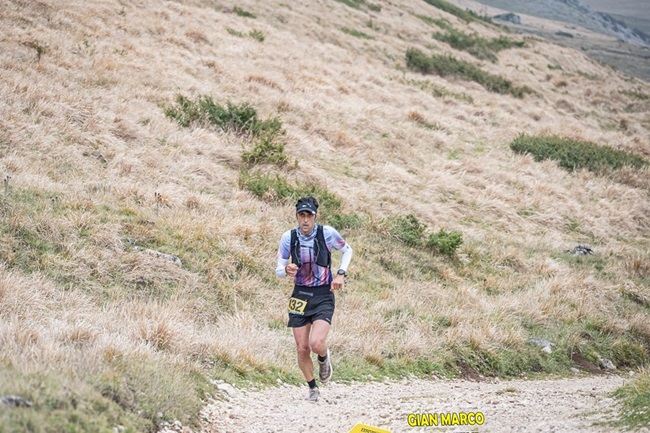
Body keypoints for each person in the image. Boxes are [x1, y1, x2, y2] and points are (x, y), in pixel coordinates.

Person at [276, 196, 353, 402]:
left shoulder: (327, 233)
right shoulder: (288, 237)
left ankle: (323, 357)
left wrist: (340, 274)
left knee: (316, 342)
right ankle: (312, 388)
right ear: (297, 217)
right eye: (302, 215)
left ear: (315, 216)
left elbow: (347, 250)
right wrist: (286, 269)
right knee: (302, 348)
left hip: (323, 294)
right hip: (299, 294)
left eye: (309, 215)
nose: (305, 220)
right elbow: (278, 269)